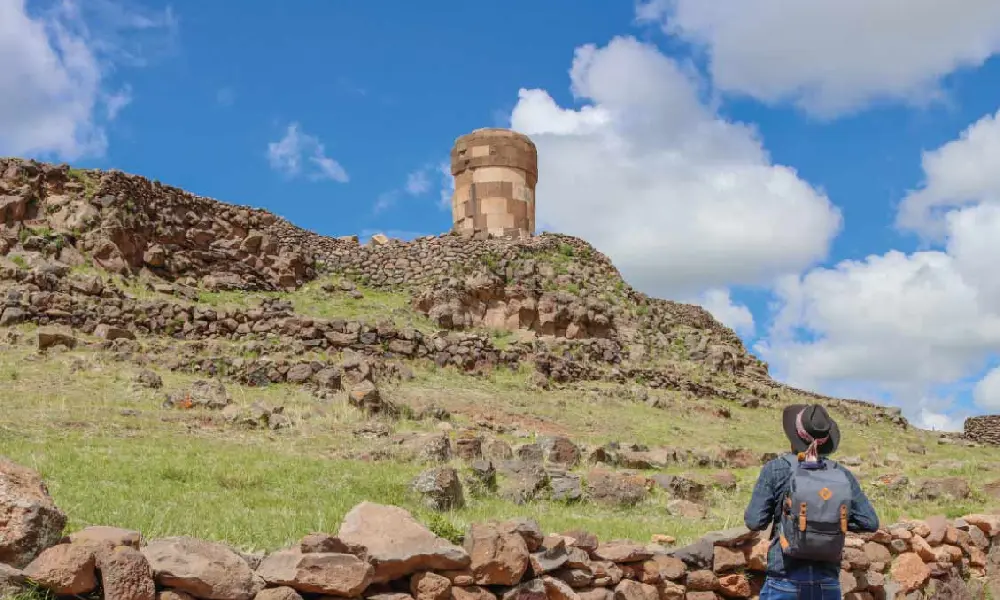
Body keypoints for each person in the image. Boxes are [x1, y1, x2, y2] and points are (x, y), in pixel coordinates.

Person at [744, 404, 879, 600]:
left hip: (784, 578)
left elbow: (755, 521)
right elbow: (870, 522)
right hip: (827, 583)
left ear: (793, 437)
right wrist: (830, 520)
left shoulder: (775, 469)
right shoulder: (841, 474)